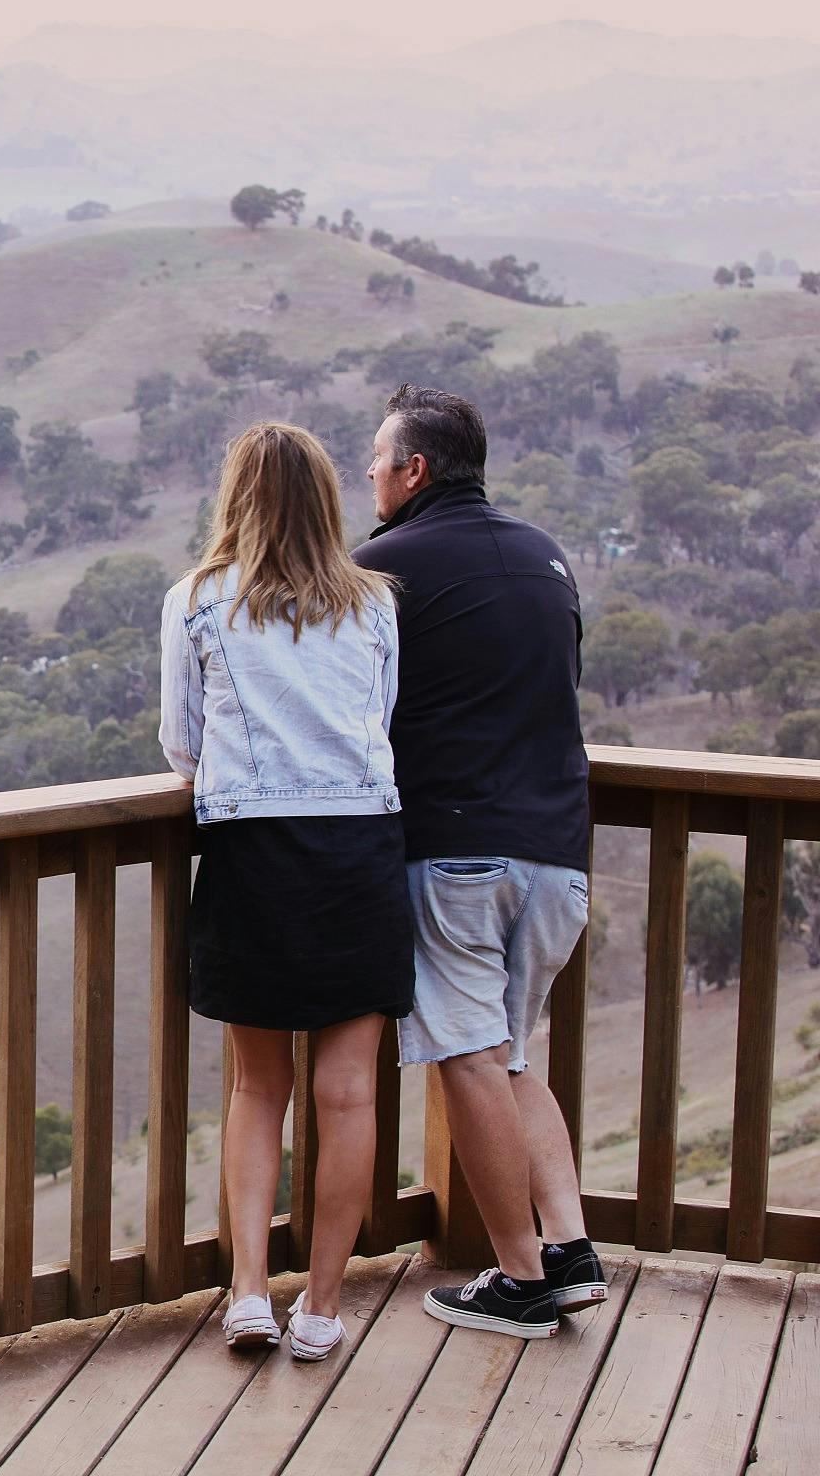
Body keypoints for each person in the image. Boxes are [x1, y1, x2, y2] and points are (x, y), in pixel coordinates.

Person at [160, 421, 413, 1362]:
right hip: (359, 851)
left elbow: (181, 747)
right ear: (328, 501)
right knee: (348, 1093)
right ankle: (324, 1307)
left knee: (258, 1086)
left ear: (236, 497)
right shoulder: (377, 604)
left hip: (253, 853)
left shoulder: (197, 601)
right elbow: (377, 724)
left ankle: (251, 1296)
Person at [355, 383, 601, 1340]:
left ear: (414, 470)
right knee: (511, 1051)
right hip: (559, 855)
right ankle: (571, 1248)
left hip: (457, 852)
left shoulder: (382, 570)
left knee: (465, 1056)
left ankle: (519, 1275)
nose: (370, 475)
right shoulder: (548, 558)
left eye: (377, 460)